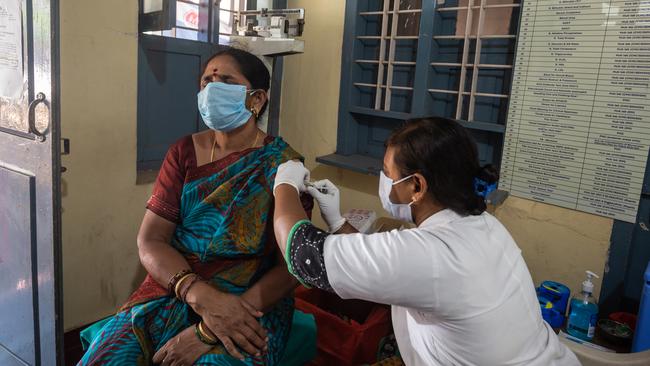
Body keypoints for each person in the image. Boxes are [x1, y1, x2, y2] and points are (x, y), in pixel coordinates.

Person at [272, 117, 580, 365]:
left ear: (417, 186)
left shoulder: (433, 253)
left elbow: (302, 254)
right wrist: (339, 222)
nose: (385, 184)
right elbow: (392, 271)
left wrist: (285, 182)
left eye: (387, 174)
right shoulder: (482, 224)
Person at [79, 48, 311, 366]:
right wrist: (198, 294)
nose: (211, 88)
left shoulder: (283, 165)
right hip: (177, 284)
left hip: (250, 299)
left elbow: (292, 266)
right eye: (206, 81)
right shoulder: (183, 152)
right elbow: (151, 240)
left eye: (226, 80)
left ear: (256, 99)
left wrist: (215, 325)